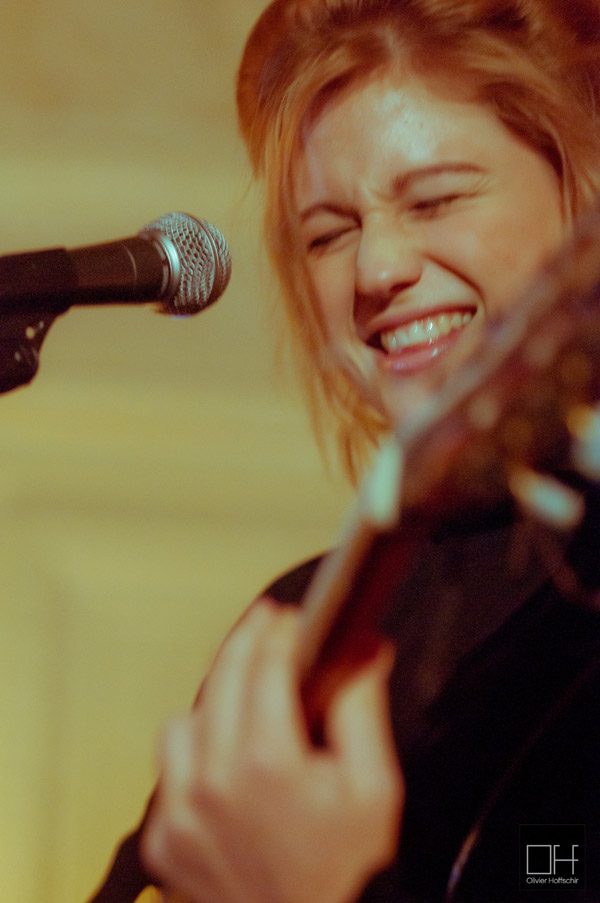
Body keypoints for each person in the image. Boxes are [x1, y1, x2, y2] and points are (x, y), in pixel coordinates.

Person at [91, 1, 600, 900]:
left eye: (436, 198)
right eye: (328, 234)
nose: (374, 270)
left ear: (583, 199)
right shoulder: (296, 623)